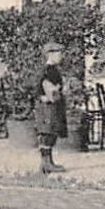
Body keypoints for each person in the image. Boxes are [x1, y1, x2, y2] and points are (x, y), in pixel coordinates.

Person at [33, 41, 69, 174]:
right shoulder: (48, 71)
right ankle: (46, 163)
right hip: (47, 106)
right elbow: (45, 87)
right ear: (50, 54)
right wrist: (54, 93)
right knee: (47, 133)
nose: (61, 56)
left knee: (52, 133)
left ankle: (48, 162)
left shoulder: (53, 70)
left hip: (52, 105)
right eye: (58, 53)